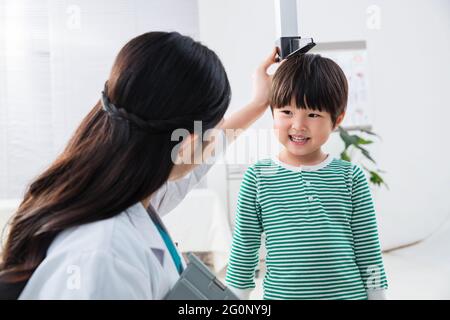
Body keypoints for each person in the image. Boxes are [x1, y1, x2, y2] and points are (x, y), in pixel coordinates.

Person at [0, 31, 279, 299]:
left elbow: (201, 154)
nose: (211, 146)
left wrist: (258, 104)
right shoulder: (104, 256)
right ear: (186, 144)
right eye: (211, 134)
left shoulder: (126, 193)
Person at [225, 53, 388, 300]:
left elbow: (369, 252)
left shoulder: (350, 177)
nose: (298, 125)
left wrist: (378, 296)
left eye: (313, 114)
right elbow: (243, 255)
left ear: (337, 120)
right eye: (287, 112)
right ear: (272, 113)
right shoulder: (257, 178)